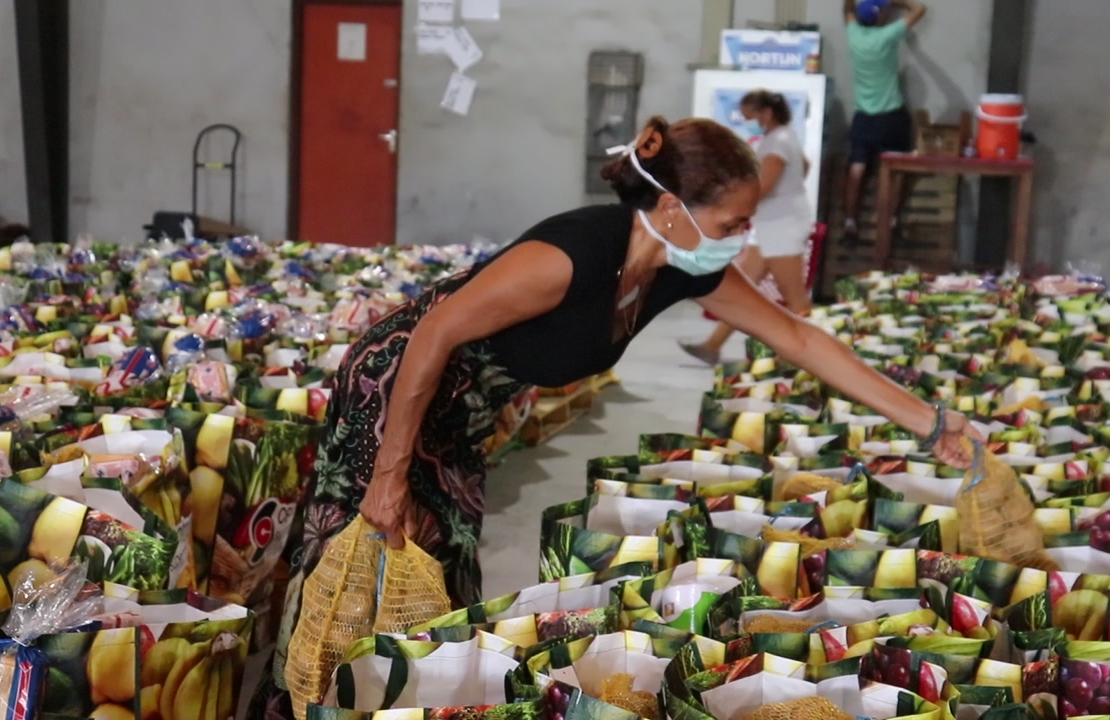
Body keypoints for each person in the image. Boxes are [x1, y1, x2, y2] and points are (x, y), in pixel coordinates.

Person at [256, 115, 982, 718]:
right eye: (735, 219)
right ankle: (302, 703)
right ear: (673, 208)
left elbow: (796, 336)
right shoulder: (570, 256)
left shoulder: (680, 266)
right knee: (356, 566)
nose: (744, 233)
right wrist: (389, 475)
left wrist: (930, 422)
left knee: (437, 574)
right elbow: (434, 333)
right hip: (397, 390)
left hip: (461, 418)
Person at [680, 89, 814, 367]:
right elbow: (805, 164)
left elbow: (765, 185)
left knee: (795, 299)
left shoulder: (777, 141)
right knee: (741, 292)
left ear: (766, 113)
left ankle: (812, 356)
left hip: (781, 225)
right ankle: (712, 346)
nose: (746, 120)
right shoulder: (783, 136)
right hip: (773, 223)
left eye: (749, 115)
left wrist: (729, 206)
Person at [841, 0, 926, 245]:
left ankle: (849, 222)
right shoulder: (888, 36)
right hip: (891, 117)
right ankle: (890, 222)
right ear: (880, 18)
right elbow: (920, 9)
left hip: (863, 117)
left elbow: (846, 10)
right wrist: (896, 1)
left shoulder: (854, 35)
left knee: (857, 168)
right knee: (897, 169)